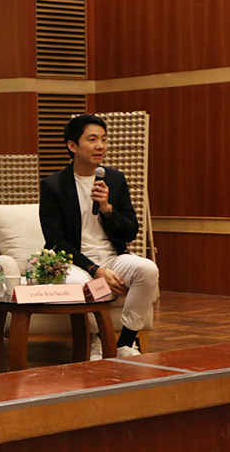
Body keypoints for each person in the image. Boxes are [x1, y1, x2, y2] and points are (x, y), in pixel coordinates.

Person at [39, 114, 159, 359]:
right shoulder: (54, 185)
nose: (100, 146)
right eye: (92, 139)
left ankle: (126, 342)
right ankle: (97, 340)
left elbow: (130, 231)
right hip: (75, 262)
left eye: (104, 139)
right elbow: (55, 240)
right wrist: (95, 270)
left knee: (148, 269)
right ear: (72, 146)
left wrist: (107, 209)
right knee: (80, 283)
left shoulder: (114, 179)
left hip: (112, 257)